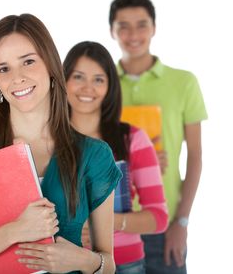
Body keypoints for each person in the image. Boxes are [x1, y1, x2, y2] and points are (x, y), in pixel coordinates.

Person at [0, 13, 122, 274]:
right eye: (3, 69)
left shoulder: (93, 155)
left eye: (28, 62)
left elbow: (107, 263)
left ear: (51, 67)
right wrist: (15, 231)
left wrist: (82, 261)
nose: (17, 77)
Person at [109, 0, 208, 273]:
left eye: (141, 24)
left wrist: (182, 222)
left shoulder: (184, 83)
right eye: (123, 26)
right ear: (112, 31)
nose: (133, 34)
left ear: (154, 27)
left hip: (163, 222)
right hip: (115, 221)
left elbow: (196, 156)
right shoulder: (102, 86)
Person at [63, 41, 169, 273]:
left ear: (110, 87)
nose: (87, 88)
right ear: (63, 81)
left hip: (125, 264)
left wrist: (109, 222)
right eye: (78, 77)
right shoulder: (47, 139)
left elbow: (158, 217)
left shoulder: (133, 140)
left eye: (98, 79)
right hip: (63, 264)